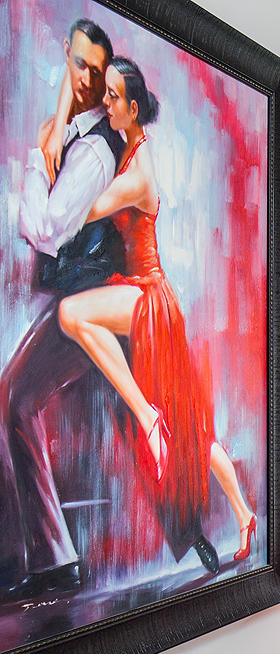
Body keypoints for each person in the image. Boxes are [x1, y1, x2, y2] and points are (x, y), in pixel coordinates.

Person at [54, 57, 258, 568]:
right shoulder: (131, 151)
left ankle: (148, 418)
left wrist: (58, 139)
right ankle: (244, 513)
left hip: (148, 300)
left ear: (133, 106)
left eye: (113, 97)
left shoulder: (136, 173)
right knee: (192, 432)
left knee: (72, 314)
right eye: (104, 94)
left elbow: (77, 210)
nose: (105, 103)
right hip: (150, 298)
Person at [0, 18, 127, 598]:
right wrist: (54, 129)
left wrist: (37, 156)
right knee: (15, 397)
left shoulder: (95, 150)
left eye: (95, 73)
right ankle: (54, 559)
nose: (84, 81)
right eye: (77, 64)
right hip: (80, 300)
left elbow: (46, 230)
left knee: (16, 397)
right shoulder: (76, 130)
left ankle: (56, 562)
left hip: (93, 307)